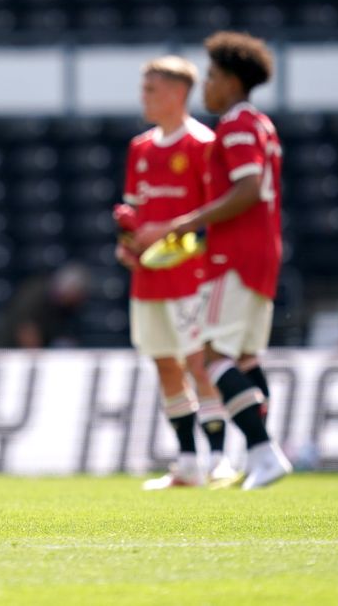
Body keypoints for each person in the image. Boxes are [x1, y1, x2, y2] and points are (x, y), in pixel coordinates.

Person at [137, 31, 292, 491]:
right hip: (263, 252)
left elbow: (246, 190)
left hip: (236, 254)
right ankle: (259, 452)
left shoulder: (238, 125)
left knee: (208, 357)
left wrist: (182, 224)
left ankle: (264, 452)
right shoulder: (262, 124)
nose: (207, 86)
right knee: (245, 359)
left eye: (212, 77)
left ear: (230, 80)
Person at [115, 56, 235, 490]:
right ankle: (187, 462)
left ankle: (220, 458)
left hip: (192, 277)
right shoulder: (140, 148)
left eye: (152, 89)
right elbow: (136, 212)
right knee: (165, 364)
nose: (143, 97)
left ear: (178, 93)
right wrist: (128, 244)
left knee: (199, 363)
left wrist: (168, 234)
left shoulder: (204, 144)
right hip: (149, 280)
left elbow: (217, 216)